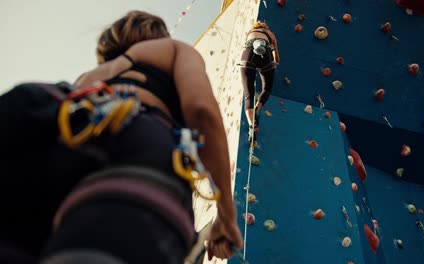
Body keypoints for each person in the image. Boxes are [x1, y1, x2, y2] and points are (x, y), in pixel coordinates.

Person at [0, 10, 242, 264]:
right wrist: (226, 215)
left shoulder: (89, 78)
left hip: (48, 143)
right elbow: (202, 112)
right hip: (136, 144)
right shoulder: (172, 49)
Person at [239, 21, 280, 146]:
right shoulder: (270, 34)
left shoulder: (250, 33)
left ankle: (252, 126)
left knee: (248, 95)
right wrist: (272, 66)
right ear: (265, 28)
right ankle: (256, 110)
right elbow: (277, 58)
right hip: (266, 53)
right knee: (266, 89)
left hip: (249, 52)